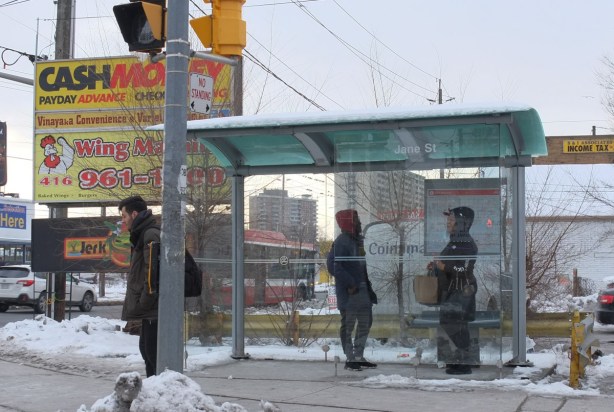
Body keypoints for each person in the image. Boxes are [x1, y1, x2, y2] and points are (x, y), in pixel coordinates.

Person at [429, 206, 478, 375]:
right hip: (454, 289)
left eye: (451, 220)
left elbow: (463, 270)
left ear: (462, 223)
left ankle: (465, 361)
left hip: (461, 290)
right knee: (455, 323)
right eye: (448, 220)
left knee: (453, 322)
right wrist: (437, 265)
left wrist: (443, 265)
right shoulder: (456, 241)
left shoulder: (465, 242)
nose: (448, 223)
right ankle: (462, 357)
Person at [119, 195, 161, 377]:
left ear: (134, 214)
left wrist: (145, 302)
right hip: (149, 309)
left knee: (152, 354)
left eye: (124, 216)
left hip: (152, 308)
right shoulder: (143, 234)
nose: (123, 221)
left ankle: (160, 394)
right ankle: (153, 392)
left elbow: (151, 273)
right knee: (146, 350)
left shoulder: (149, 234)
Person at [331, 209, 378, 371]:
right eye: (356, 219)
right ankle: (350, 359)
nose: (359, 222)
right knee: (348, 326)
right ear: (348, 222)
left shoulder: (356, 241)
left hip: (362, 291)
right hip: (351, 293)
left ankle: (358, 356)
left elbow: (361, 268)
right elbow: (334, 267)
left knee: (365, 323)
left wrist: (367, 288)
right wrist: (351, 284)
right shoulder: (341, 241)